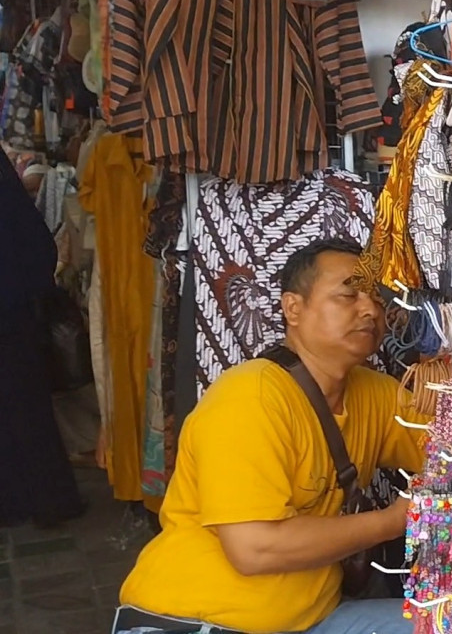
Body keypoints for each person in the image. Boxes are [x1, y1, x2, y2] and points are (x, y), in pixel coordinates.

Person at [116, 239, 426, 634]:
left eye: (377, 299)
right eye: (349, 295)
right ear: (293, 308)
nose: (370, 309)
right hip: (197, 621)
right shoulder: (250, 397)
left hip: (309, 622)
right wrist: (394, 521)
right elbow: (255, 548)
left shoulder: (376, 394)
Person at [0, 148, 85, 527]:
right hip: (13, 311)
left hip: (13, 307)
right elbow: (37, 245)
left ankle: (13, 503)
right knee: (28, 407)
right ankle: (50, 501)